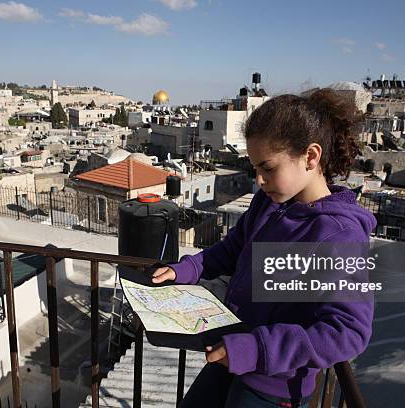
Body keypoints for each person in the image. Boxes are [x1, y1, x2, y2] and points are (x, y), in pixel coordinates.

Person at [151, 90, 377, 408]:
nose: (259, 179)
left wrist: (257, 349)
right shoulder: (270, 202)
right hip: (232, 355)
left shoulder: (338, 236)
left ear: (311, 157)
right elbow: (234, 248)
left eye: (268, 168)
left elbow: (347, 331)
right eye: (255, 167)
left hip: (272, 386)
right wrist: (189, 268)